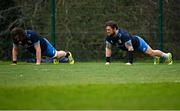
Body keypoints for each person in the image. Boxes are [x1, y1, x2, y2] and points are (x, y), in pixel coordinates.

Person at [105, 20, 173, 65]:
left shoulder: (123, 35)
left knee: (151, 52)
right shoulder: (109, 36)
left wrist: (130, 62)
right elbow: (108, 48)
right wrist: (107, 62)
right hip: (130, 47)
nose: (107, 31)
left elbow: (130, 48)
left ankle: (167, 56)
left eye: (109, 29)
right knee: (150, 54)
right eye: (106, 30)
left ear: (114, 29)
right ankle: (156, 58)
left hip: (138, 43)